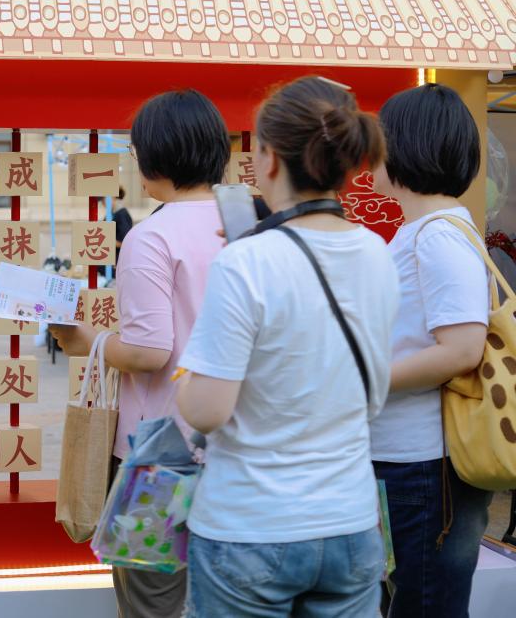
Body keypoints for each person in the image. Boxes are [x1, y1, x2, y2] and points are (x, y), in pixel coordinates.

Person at [176, 76, 399, 616]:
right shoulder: (376, 252)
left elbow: (206, 411)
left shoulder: (245, 261)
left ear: (270, 158)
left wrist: (185, 378)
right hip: (350, 523)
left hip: (250, 526)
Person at [51, 89, 229, 617]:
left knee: (152, 603)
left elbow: (151, 351)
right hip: (239, 448)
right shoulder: (248, 228)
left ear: (155, 156)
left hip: (159, 456)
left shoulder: (151, 237)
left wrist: (90, 342)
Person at [371, 83, 493, 618]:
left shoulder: (436, 237)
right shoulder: (424, 231)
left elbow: (462, 348)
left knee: (425, 604)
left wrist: (364, 378)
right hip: (415, 460)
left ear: (406, 146)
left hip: (427, 464)